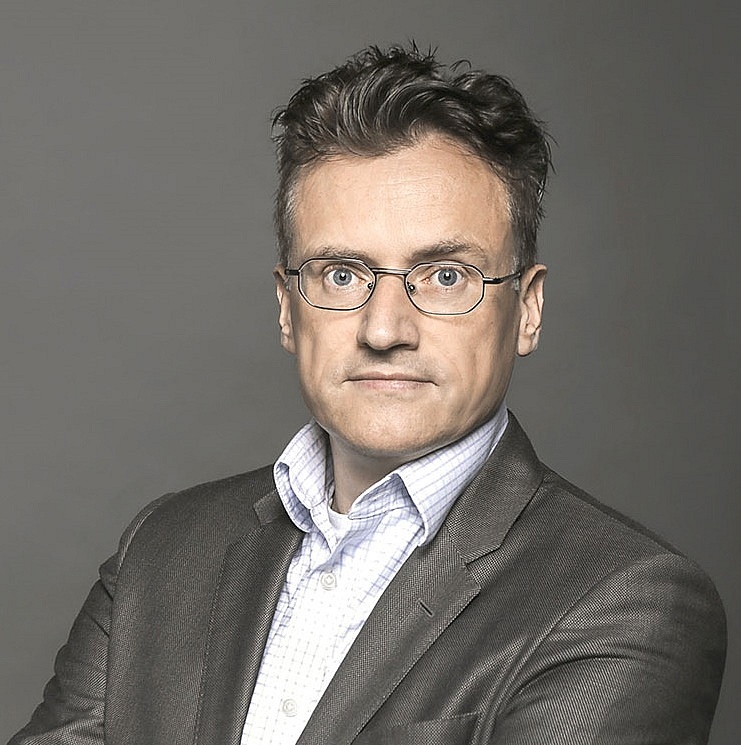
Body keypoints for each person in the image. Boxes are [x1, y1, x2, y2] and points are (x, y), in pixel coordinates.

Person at [10, 44, 726, 745]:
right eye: (342, 274)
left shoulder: (624, 600)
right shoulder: (163, 549)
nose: (384, 329)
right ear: (287, 308)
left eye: (445, 276)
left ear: (528, 309)